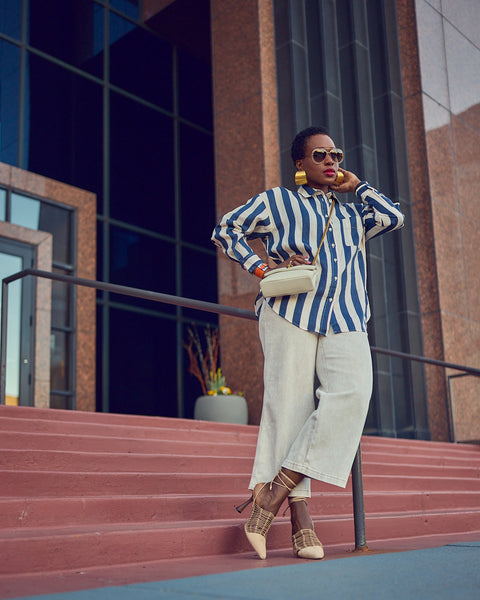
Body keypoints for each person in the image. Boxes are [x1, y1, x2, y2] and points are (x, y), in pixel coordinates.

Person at [211, 126, 404, 560]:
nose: (331, 161)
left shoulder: (354, 212)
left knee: (353, 394)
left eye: (336, 153)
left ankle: (269, 498)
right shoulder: (278, 201)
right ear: (300, 163)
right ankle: (302, 522)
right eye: (320, 155)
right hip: (290, 313)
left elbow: (394, 217)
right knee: (291, 408)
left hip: (348, 316)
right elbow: (226, 230)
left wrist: (360, 187)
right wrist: (263, 269)